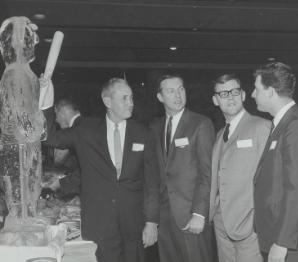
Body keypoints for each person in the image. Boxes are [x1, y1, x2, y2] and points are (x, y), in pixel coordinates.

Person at [40, 77, 160, 262]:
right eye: (124, 98)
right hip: (99, 222)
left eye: (131, 98)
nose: (131, 103)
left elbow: (152, 182)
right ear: (107, 101)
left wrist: (152, 221)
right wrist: (46, 101)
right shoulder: (87, 130)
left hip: (133, 222)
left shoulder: (143, 133)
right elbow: (50, 137)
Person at [251, 62, 298, 262]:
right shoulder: (284, 124)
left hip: (296, 246)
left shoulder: (297, 127)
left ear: (270, 92)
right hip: (285, 240)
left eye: (257, 89)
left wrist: (283, 241)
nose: (252, 94)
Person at [151, 74, 215, 262]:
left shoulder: (200, 124)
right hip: (164, 218)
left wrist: (199, 213)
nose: (178, 95)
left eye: (181, 89)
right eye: (171, 91)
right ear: (160, 97)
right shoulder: (155, 127)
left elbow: (207, 172)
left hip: (190, 216)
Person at [209, 74, 271, 262]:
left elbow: (270, 180)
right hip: (222, 224)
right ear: (215, 100)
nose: (230, 97)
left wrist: (258, 220)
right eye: (224, 93)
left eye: (235, 91)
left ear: (243, 95)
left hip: (250, 226)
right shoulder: (220, 134)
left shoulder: (262, 127)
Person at [43, 99, 82, 197]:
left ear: (63, 112)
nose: (55, 120)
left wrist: (60, 184)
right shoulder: (85, 126)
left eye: (56, 115)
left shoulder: (79, 129)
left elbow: (50, 138)